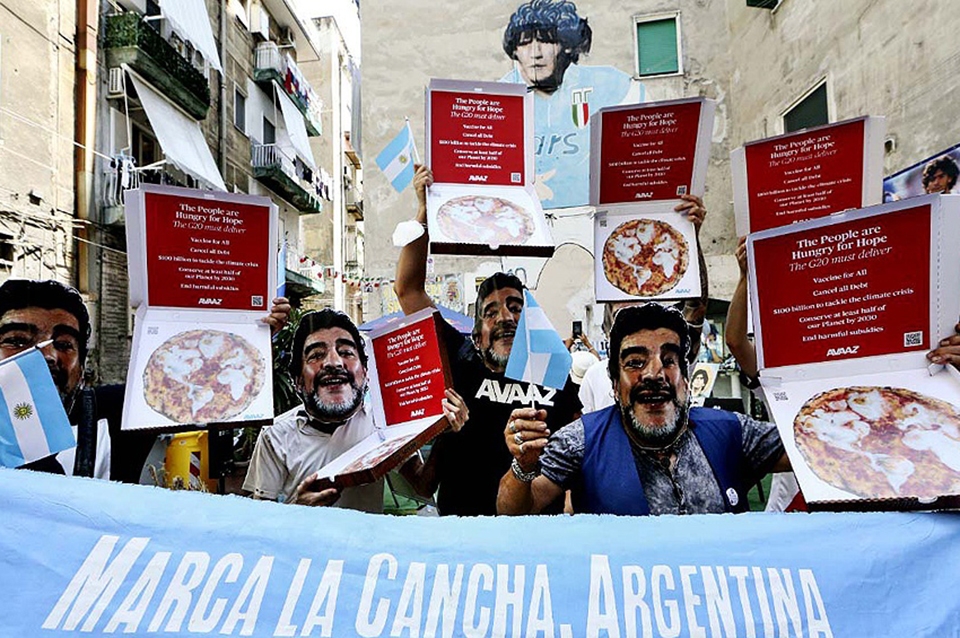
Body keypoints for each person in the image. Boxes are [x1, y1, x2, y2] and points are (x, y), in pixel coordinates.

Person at [394, 164, 583, 515]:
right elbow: (408, 290)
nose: (505, 318)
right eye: (491, 312)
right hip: (464, 535)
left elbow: (579, 451)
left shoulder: (554, 373)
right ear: (477, 333)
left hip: (535, 534)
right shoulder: (458, 356)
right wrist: (423, 212)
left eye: (515, 308)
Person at [497, 303, 791, 516]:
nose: (653, 374)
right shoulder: (581, 441)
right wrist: (523, 467)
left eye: (669, 360)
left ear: (686, 381)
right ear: (615, 385)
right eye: (635, 362)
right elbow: (513, 511)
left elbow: (807, 449)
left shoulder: (731, 431)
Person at [0, 278, 291, 482]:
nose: (47, 355)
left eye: (64, 344)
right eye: (17, 341)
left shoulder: (117, 412)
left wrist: (252, 333)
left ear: (82, 364)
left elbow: (207, 396)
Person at [243, 309, 469, 511]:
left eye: (346, 352)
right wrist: (298, 509)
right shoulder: (275, 435)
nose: (334, 363)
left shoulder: (382, 424)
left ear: (366, 373)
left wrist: (446, 429)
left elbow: (423, 486)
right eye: (317, 355)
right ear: (298, 380)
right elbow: (260, 522)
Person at [500, 0, 642, 208]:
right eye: (525, 43)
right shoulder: (498, 99)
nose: (535, 52)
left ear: (566, 46)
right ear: (514, 51)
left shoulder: (612, 85)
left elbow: (648, 159)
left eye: (546, 41)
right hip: (522, 221)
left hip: (596, 220)